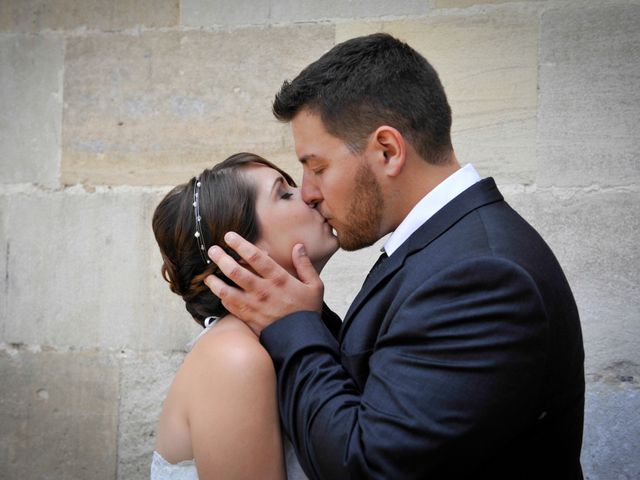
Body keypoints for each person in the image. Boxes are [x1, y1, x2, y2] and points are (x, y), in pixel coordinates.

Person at [204, 33, 586, 479]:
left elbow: (368, 467)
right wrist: (304, 316)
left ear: (388, 150)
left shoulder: (483, 275)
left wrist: (291, 328)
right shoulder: (446, 245)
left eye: (318, 167)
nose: (308, 192)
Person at [150, 152, 339, 479]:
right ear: (243, 255)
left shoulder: (288, 334)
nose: (308, 194)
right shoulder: (234, 359)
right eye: (284, 193)